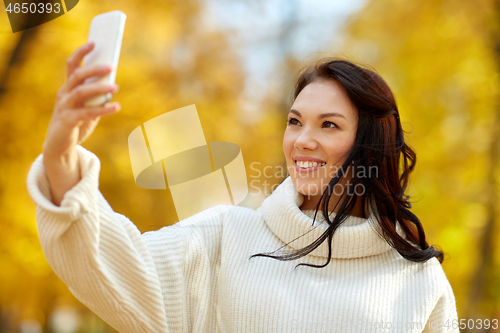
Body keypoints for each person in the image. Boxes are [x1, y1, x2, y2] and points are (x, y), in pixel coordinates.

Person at [27, 41, 459, 333]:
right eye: (295, 121)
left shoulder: (417, 279)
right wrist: (61, 154)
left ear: (369, 143)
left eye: (328, 125)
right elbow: (121, 265)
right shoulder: (226, 236)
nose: (301, 140)